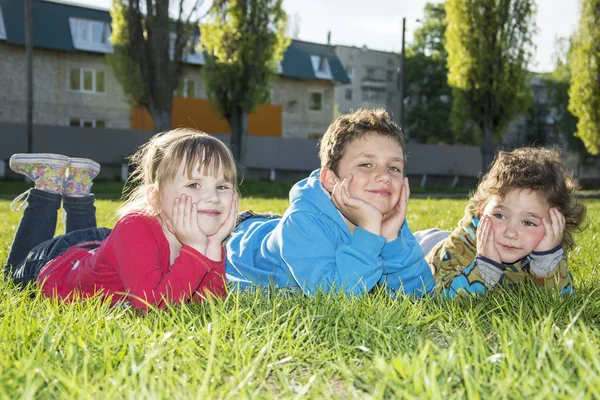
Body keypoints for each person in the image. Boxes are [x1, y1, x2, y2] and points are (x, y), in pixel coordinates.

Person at [4, 129, 239, 310]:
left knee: (100, 261)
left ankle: (77, 186)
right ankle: (47, 186)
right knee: (9, 277)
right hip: (53, 265)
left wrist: (214, 246)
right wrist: (197, 248)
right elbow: (151, 305)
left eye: (222, 186)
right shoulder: (135, 228)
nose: (213, 197)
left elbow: (206, 303)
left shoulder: (203, 240)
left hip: (102, 248)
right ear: (155, 198)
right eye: (194, 184)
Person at [226, 109, 434, 297]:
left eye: (394, 168)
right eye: (366, 164)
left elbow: (421, 293)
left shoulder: (389, 220)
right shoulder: (302, 222)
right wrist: (369, 229)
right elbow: (335, 296)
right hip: (239, 239)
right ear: (331, 180)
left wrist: (390, 238)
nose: (384, 176)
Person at [414, 147, 586, 298]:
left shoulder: (546, 247)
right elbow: (436, 294)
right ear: (482, 210)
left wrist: (546, 262)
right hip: (426, 245)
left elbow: (564, 300)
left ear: (555, 225)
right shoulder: (464, 243)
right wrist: (485, 268)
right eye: (500, 215)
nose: (510, 233)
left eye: (528, 222)